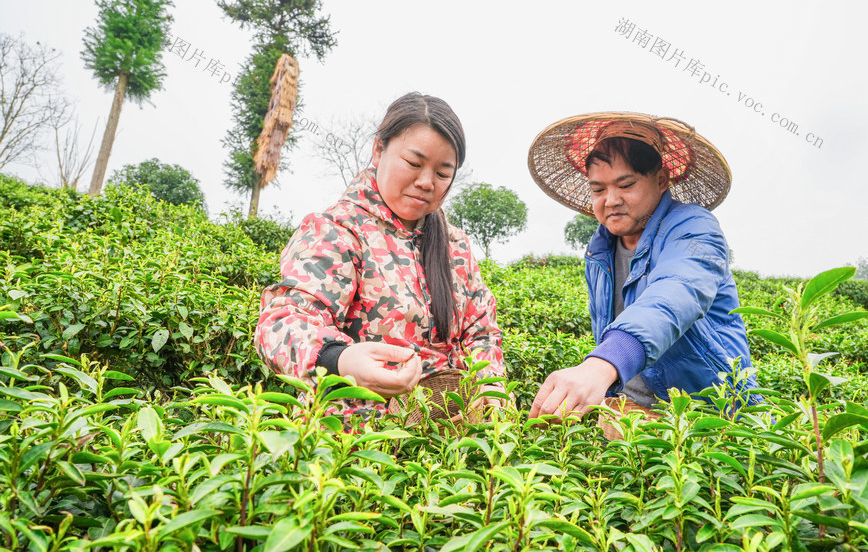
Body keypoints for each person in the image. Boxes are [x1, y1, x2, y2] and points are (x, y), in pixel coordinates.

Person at [254, 92, 506, 419]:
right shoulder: (337, 230)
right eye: (413, 163)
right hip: (364, 442)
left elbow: (481, 331)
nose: (426, 182)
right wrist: (339, 359)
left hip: (455, 443)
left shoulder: (455, 245)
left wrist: (489, 387)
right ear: (379, 148)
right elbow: (283, 320)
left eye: (443, 173)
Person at [526, 112, 758, 419]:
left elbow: (671, 298)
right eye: (598, 190)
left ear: (661, 180)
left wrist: (601, 365)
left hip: (710, 416)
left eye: (626, 185)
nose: (610, 200)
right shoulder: (600, 250)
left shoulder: (695, 230)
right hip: (631, 415)